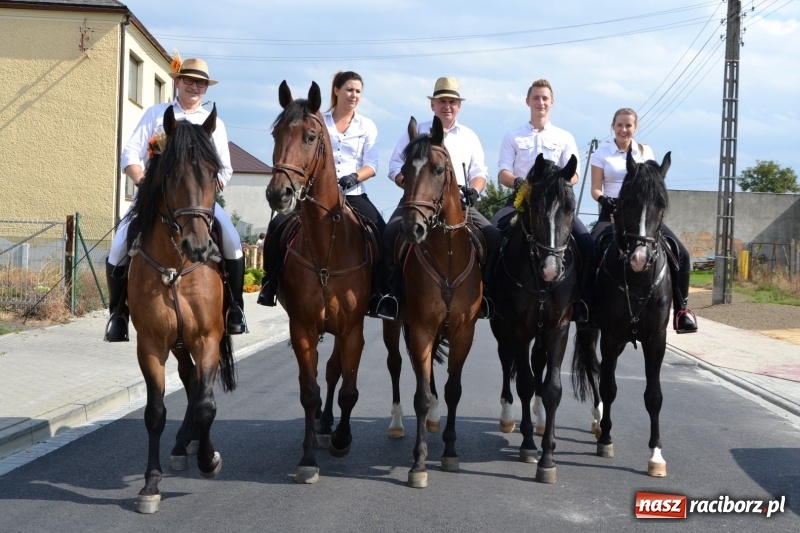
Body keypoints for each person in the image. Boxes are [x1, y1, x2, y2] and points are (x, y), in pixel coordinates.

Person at [105, 57, 247, 342]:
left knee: (231, 240)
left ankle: (235, 309)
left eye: (201, 83)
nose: (195, 86)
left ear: (206, 89)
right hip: (153, 198)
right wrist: (143, 183)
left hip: (198, 201)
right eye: (190, 80)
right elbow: (130, 155)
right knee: (120, 242)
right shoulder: (156, 115)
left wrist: (205, 191)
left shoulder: (214, 124)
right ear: (177, 82)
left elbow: (226, 168)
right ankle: (118, 313)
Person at [257, 71, 385, 314]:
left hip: (354, 191)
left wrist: (354, 177)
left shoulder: (367, 125)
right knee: (277, 226)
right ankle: (270, 283)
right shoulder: (317, 120)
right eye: (349, 89)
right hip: (313, 195)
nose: (354, 95)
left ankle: (380, 292)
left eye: (358, 91)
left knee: (382, 231)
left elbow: (372, 164)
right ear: (336, 90)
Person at [376, 76, 501, 320]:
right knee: (390, 233)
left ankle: (486, 295)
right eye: (442, 101)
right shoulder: (416, 132)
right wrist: (412, 186)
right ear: (432, 105)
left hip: (458, 204)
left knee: (493, 237)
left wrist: (475, 189)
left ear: (459, 106)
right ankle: (389, 296)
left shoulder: (469, 136)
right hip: (418, 202)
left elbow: (479, 172)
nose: (447, 106)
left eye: (452, 102)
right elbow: (394, 167)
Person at [493, 79, 594, 323]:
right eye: (536, 98)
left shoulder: (564, 137)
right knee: (492, 234)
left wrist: (558, 184)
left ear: (552, 102)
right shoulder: (513, 136)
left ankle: (582, 302)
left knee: (587, 244)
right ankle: (491, 297)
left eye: (545, 98)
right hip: (520, 202)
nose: (541, 102)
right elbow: (502, 172)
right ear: (527, 101)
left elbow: (575, 174)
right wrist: (519, 183)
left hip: (555, 208)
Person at [590, 107, 698, 333]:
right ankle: (586, 305)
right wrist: (605, 201)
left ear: (635, 127)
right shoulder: (602, 153)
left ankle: (682, 311)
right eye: (619, 125)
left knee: (682, 255)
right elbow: (595, 188)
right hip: (611, 214)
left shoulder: (645, 151)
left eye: (628, 125)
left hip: (642, 217)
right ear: (613, 126)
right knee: (591, 249)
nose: (623, 129)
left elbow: (652, 181)